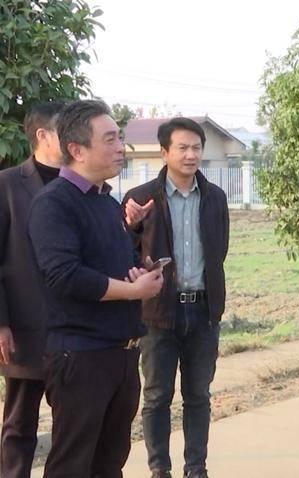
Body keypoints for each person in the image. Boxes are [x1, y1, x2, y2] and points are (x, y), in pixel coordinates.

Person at [27, 99, 164, 477]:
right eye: (110, 139)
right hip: (81, 356)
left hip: (121, 354)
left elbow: (109, 265)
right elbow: (65, 276)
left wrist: (139, 273)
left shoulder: (105, 202)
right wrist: (133, 292)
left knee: (108, 464)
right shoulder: (54, 203)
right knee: (72, 466)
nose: (121, 147)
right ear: (77, 149)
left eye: (120, 137)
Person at [122, 117, 230, 478]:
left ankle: (196, 468)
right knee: (156, 396)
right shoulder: (141, 199)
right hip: (157, 313)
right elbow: (125, 253)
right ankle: (160, 469)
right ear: (164, 152)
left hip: (203, 310)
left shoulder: (215, 198)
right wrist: (132, 226)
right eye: (182, 148)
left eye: (196, 147)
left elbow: (219, 251)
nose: (190, 155)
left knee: (198, 395)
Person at [0, 102, 64, 478]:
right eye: (65, 129)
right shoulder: (7, 184)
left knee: (71, 424)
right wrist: (1, 322)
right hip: (24, 326)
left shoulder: (83, 182)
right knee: (19, 424)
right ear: (42, 135)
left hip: (73, 330)